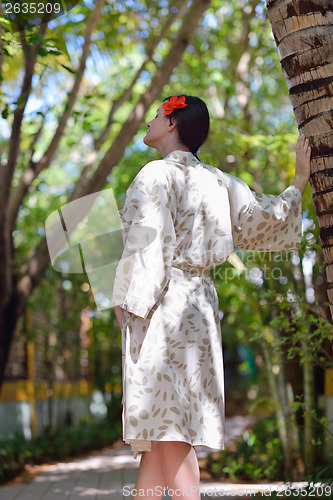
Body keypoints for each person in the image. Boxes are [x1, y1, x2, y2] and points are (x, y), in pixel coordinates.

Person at [112, 95, 311, 500]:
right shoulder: (220, 181)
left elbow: (145, 247)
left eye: (155, 114)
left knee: (169, 431)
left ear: (172, 124)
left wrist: (126, 305)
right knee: (160, 438)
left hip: (162, 309)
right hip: (198, 308)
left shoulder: (155, 175)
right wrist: (298, 182)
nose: (149, 120)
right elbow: (263, 219)